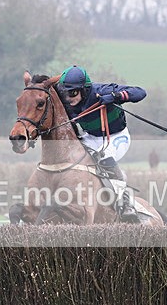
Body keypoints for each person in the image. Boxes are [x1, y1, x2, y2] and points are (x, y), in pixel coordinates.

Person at [57, 65, 147, 222]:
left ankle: (126, 203)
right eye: (64, 93)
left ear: (84, 90)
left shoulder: (102, 90)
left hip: (116, 137)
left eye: (72, 93)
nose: (68, 98)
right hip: (91, 137)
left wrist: (116, 96)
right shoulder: (67, 102)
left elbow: (140, 92)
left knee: (104, 158)